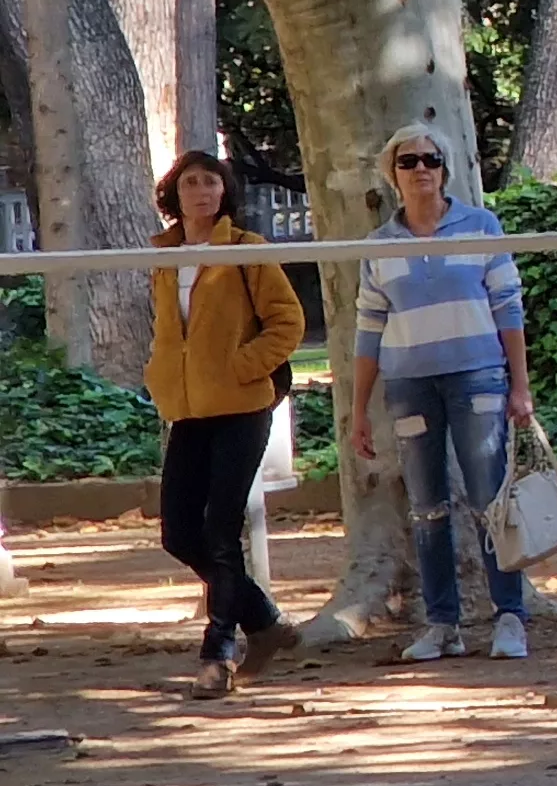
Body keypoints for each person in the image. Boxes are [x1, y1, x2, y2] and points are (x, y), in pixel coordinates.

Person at [347, 124, 535, 662]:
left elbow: (508, 309)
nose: (421, 169)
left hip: (478, 376)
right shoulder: (379, 246)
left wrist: (520, 386)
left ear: (446, 168)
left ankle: (509, 617)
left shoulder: (480, 226)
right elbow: (369, 327)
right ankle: (442, 624)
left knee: (489, 501)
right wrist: (359, 410)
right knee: (427, 507)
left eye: (431, 159)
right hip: (410, 385)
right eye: (409, 162)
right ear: (393, 175)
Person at [145, 150, 303, 698]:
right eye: (190, 182)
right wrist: (162, 373)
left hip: (241, 406)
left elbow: (287, 322)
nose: (202, 191)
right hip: (188, 409)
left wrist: (242, 366)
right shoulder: (161, 255)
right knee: (179, 533)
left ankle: (218, 652)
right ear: (175, 194)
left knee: (220, 531)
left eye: (211, 181)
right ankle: (264, 620)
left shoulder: (246, 251)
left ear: (224, 191)